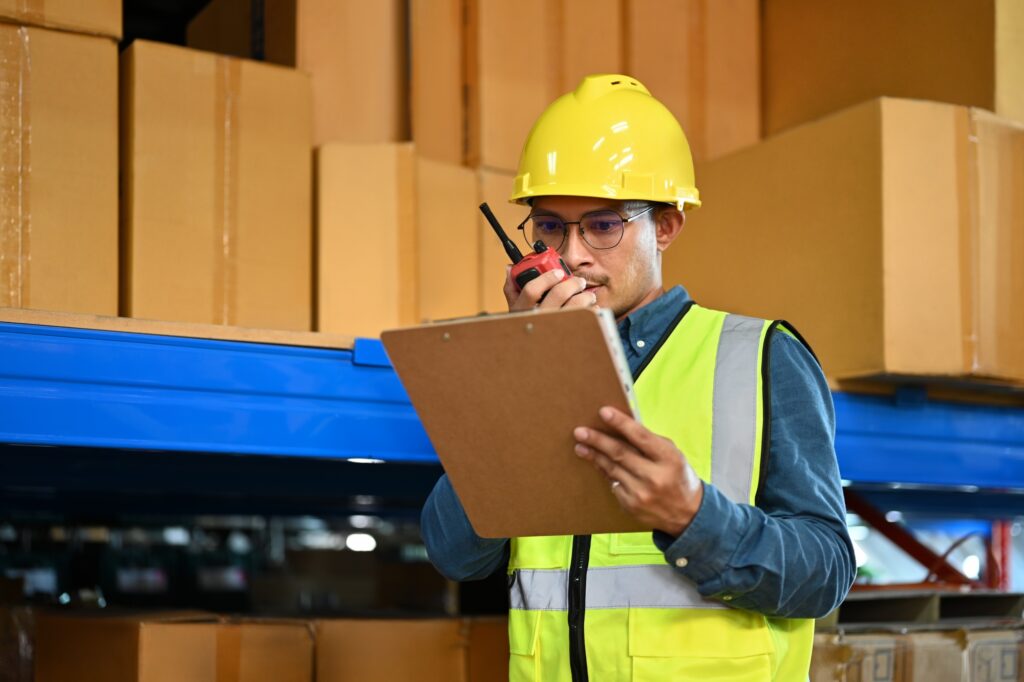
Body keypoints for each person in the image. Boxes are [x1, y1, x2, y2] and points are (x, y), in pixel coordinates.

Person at [421, 74, 855, 681]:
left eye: (602, 226)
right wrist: (523, 369)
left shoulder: (760, 355)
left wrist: (694, 516)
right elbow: (454, 554)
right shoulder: (520, 366)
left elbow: (827, 573)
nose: (571, 255)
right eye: (548, 227)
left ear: (667, 226)